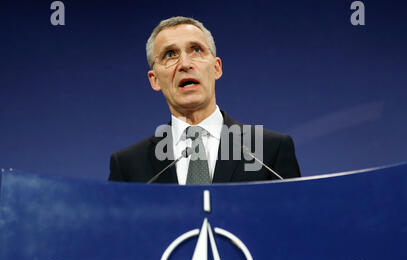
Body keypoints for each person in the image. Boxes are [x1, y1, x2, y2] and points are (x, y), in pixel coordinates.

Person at [109, 16, 300, 184]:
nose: (185, 64)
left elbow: (296, 221)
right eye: (170, 55)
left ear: (216, 68)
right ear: (155, 79)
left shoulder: (269, 151)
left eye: (196, 50)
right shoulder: (128, 166)